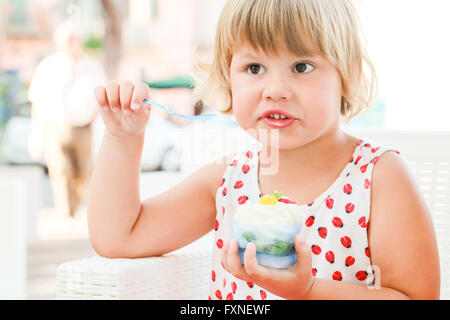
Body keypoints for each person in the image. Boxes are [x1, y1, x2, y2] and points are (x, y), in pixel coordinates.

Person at [89, 0, 440, 300]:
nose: (275, 89)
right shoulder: (227, 181)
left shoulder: (378, 177)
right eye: (254, 68)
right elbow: (120, 237)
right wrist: (123, 139)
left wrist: (307, 290)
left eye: (301, 67)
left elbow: (415, 295)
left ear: (346, 74)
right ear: (229, 79)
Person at [28, 21, 107, 218]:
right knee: (60, 171)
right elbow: (36, 101)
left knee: (83, 172)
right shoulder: (48, 66)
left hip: (83, 127)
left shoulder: (93, 66)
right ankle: (65, 212)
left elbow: (103, 97)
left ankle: (76, 208)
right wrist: (36, 134)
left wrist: (92, 118)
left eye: (74, 39)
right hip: (55, 127)